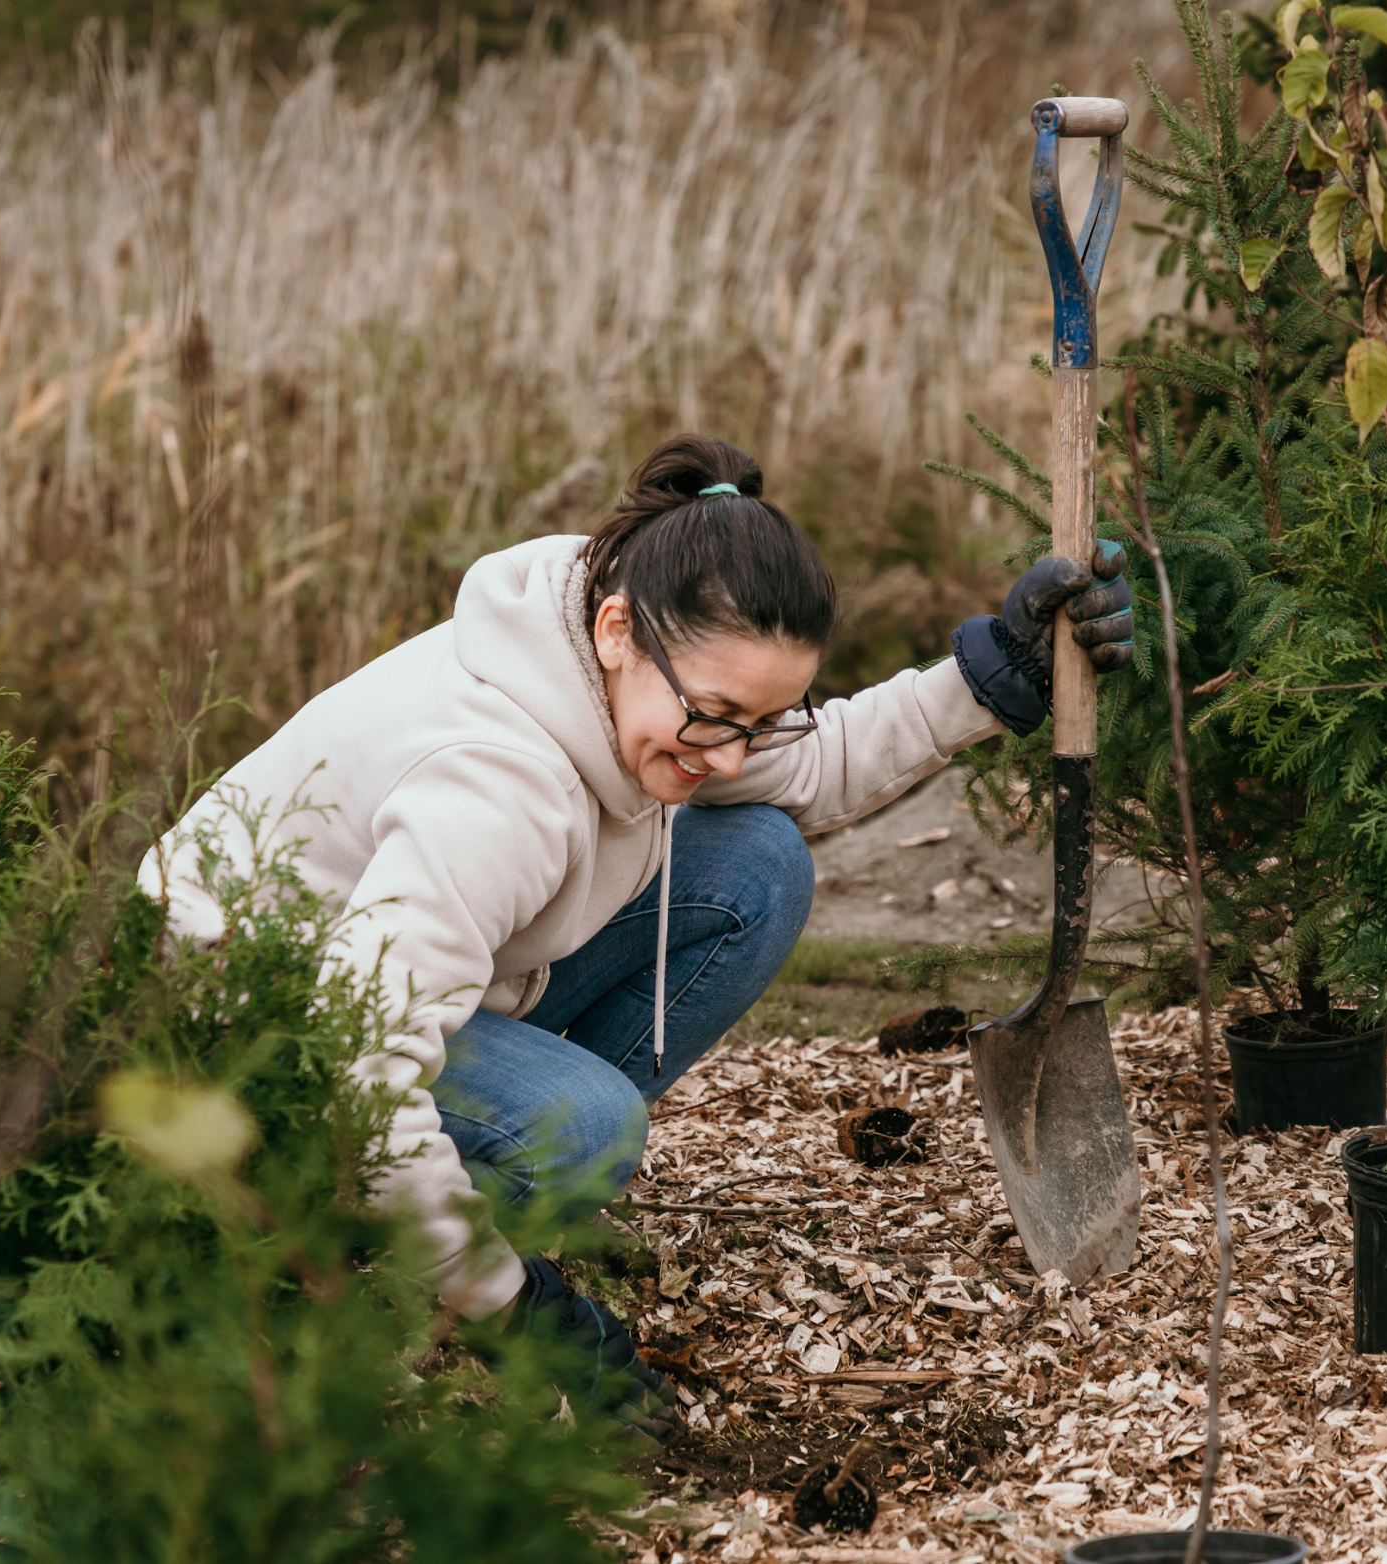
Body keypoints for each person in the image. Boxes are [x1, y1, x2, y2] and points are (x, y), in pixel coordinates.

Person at [139, 433, 1131, 1435]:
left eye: (759, 718)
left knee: (757, 865)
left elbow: (810, 763)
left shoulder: (628, 659)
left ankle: (464, 1192)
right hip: (255, 1045)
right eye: (717, 717)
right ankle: (372, 1234)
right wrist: (516, 1309)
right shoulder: (497, 784)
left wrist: (992, 679)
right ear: (618, 630)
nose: (732, 751)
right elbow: (356, 1055)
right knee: (584, 1127)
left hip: (397, 979)